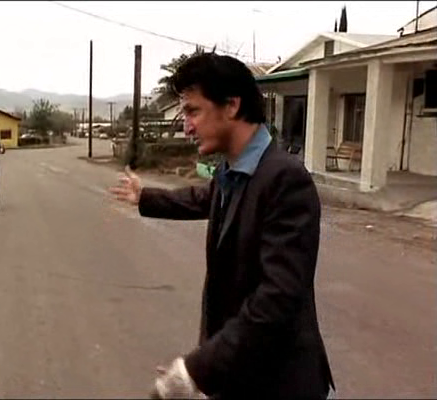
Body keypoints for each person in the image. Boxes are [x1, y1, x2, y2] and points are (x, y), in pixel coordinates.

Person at [110, 52, 335, 399]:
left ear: (231, 105)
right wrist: (146, 197)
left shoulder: (285, 179)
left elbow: (277, 300)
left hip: (279, 385)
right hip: (238, 376)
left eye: (193, 111)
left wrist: (196, 371)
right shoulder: (232, 172)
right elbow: (204, 198)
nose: (187, 127)